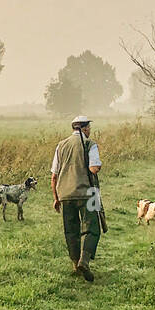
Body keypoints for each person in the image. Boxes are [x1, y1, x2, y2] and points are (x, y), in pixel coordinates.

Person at [51, 115, 102, 282]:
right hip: (89, 193)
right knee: (92, 227)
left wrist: (56, 198)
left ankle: (75, 264)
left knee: (70, 230)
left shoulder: (61, 145)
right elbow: (94, 169)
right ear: (85, 128)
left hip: (65, 194)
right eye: (89, 128)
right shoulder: (90, 144)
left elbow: (54, 175)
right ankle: (84, 261)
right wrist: (98, 164)